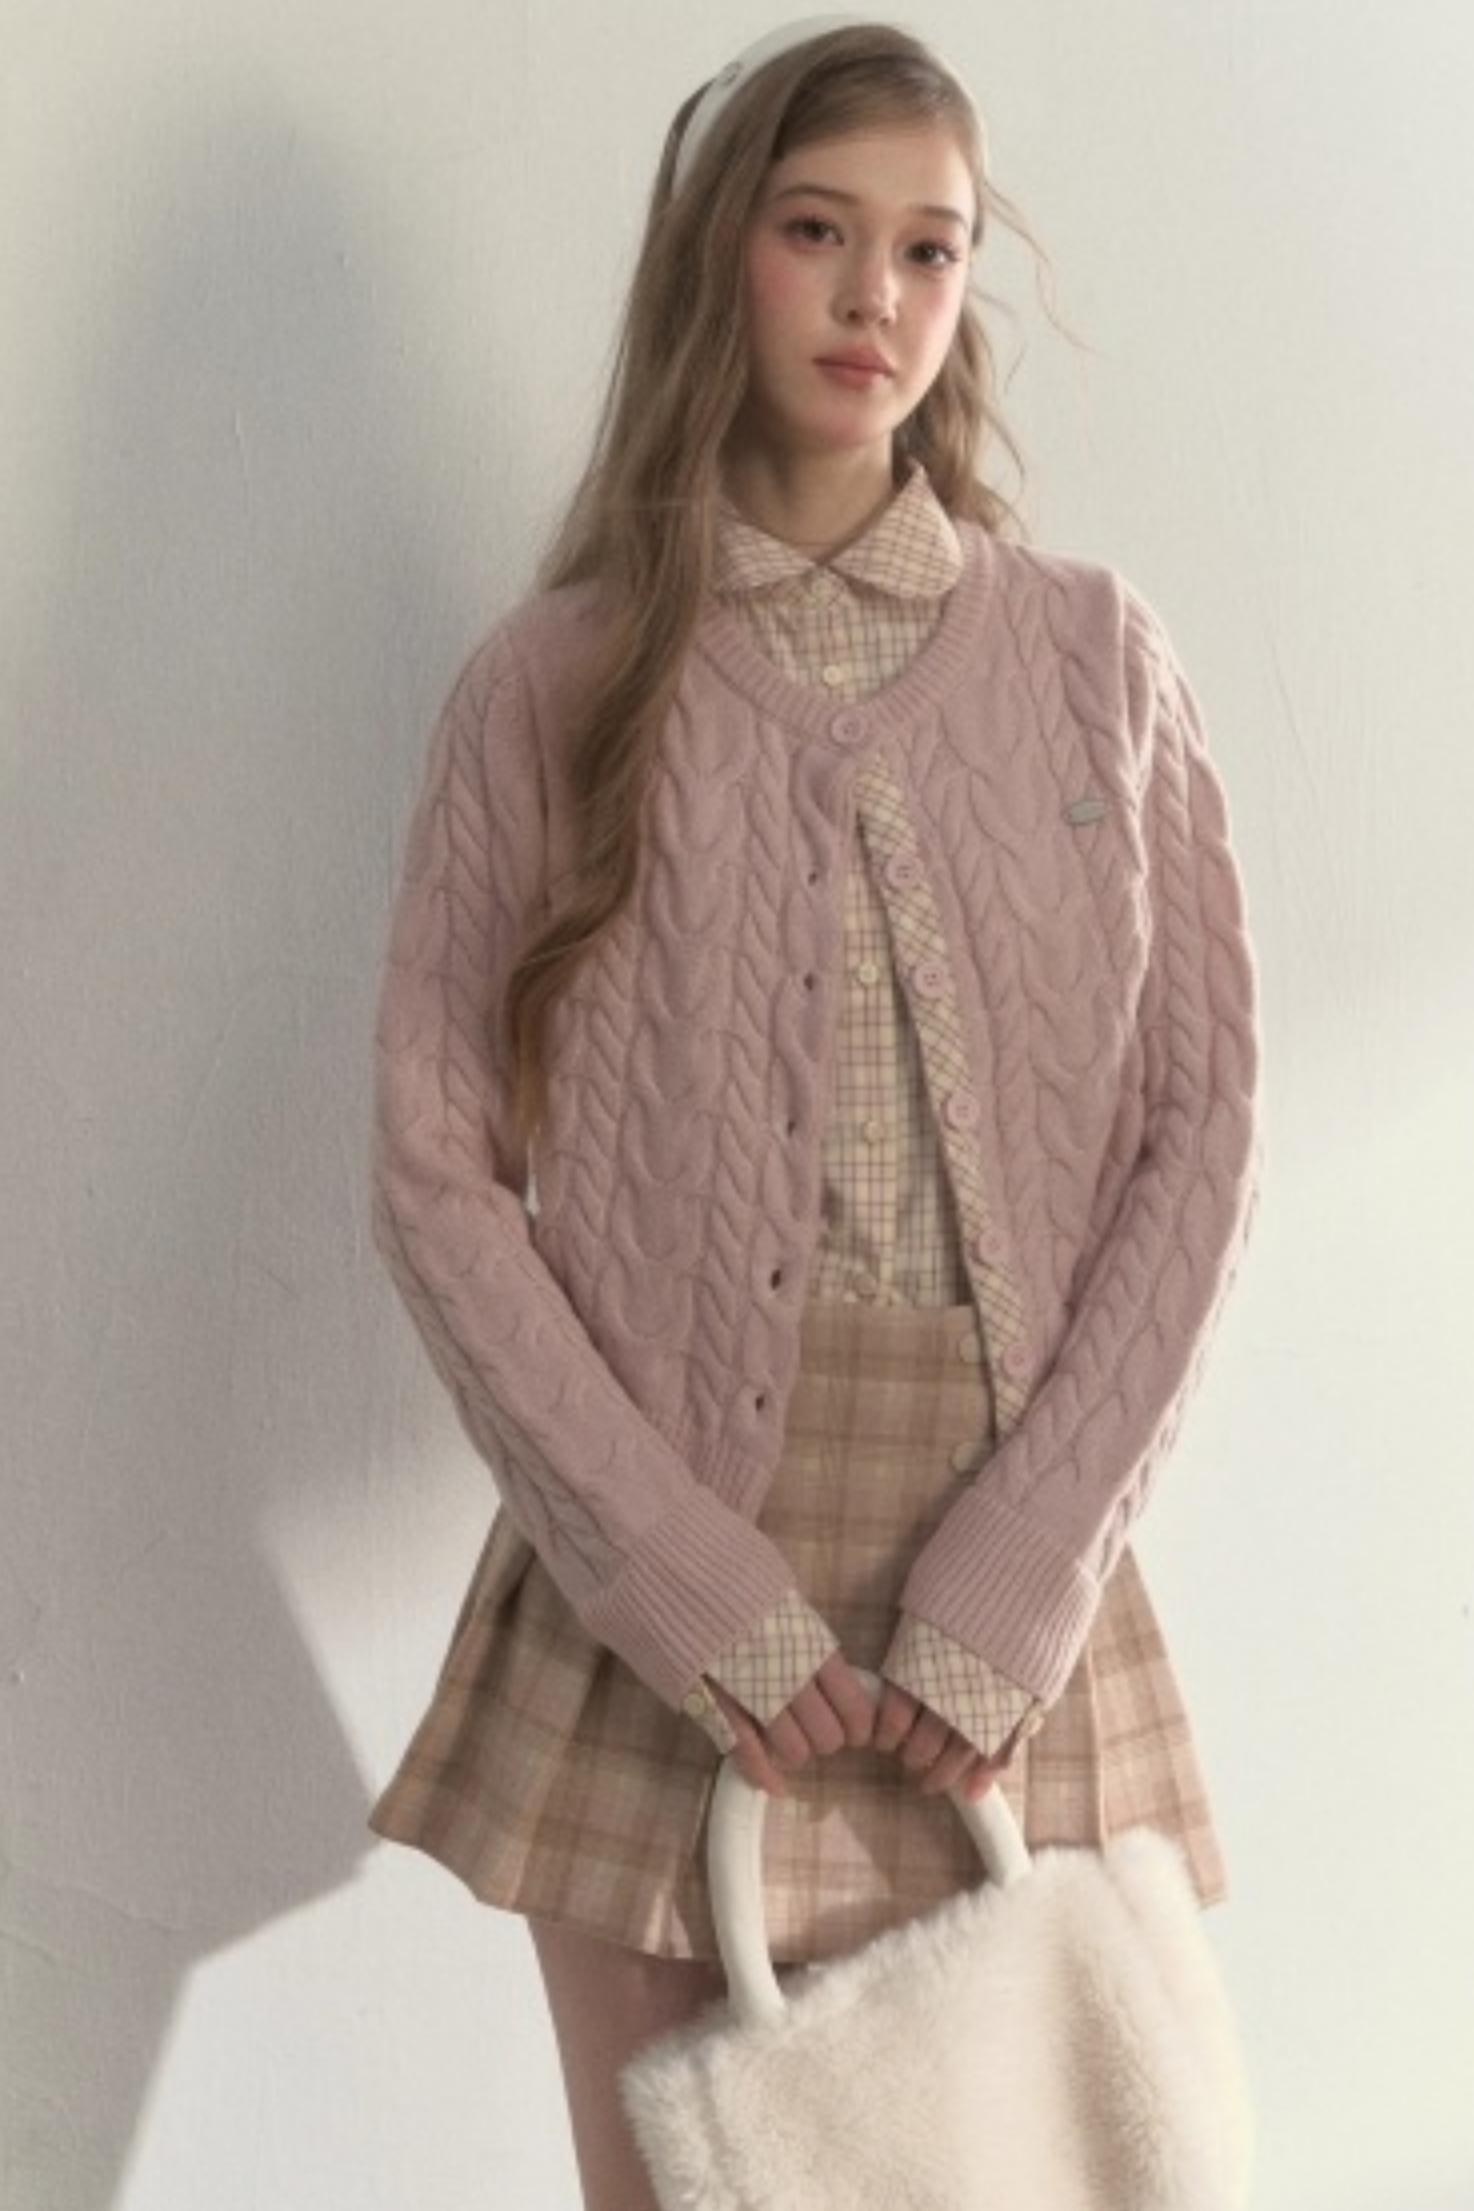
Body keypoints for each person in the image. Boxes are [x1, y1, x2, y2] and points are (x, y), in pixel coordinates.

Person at [363, 19, 1263, 2210]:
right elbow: (432, 1167)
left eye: (928, 249)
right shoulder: (556, 681)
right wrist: (678, 1581)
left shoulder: (1090, 661)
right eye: (816, 232)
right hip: (660, 1570)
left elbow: (1201, 1122)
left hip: (1009, 1566)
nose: (876, 297)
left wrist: (1023, 1567)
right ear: (721, 260)